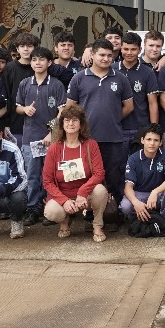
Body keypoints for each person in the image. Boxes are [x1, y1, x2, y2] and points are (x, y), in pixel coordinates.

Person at [67, 39, 134, 228]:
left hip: (113, 138)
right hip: (86, 140)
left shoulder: (120, 78)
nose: (106, 59)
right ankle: (90, 216)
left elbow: (128, 106)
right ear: (93, 55)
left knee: (113, 177)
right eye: (102, 55)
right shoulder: (79, 78)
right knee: (88, 179)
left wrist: (112, 118)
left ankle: (113, 215)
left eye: (109, 55)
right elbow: (70, 108)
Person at [13, 46, 67, 224]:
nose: (38, 63)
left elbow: (62, 112)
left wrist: (51, 133)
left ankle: (51, 207)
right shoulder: (25, 84)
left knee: (52, 175)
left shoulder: (56, 85)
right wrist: (25, 109)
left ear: (49, 62)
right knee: (33, 175)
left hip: (52, 139)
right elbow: (17, 107)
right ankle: (33, 208)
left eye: (42, 59)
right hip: (30, 138)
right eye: (34, 60)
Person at [41, 103, 110, 241]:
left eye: (74, 120)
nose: (70, 123)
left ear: (81, 124)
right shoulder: (55, 148)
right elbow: (47, 181)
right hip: (63, 195)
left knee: (101, 190)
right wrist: (64, 201)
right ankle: (65, 221)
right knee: (51, 212)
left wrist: (82, 192)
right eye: (67, 120)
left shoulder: (91, 145)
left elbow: (99, 173)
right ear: (62, 124)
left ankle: (97, 226)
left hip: (86, 195)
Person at [121, 123, 165, 231]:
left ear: (160, 142)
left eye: (156, 140)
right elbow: (128, 187)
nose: (152, 143)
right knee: (126, 206)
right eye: (149, 139)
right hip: (140, 194)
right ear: (142, 140)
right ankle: (137, 218)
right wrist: (136, 202)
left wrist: (155, 192)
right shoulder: (133, 158)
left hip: (159, 194)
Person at [116, 32, 160, 145]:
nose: (129, 53)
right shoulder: (111, 70)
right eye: (125, 49)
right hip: (116, 127)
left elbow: (152, 103)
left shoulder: (148, 72)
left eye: (133, 49)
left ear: (140, 49)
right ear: (121, 48)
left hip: (141, 128)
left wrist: (153, 130)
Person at [0, 32, 39, 129]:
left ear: (35, 48)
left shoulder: (40, 67)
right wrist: (6, 123)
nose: (26, 49)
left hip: (37, 121)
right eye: (22, 46)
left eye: (29, 46)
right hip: (14, 122)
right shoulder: (10, 68)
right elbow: (6, 96)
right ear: (17, 49)